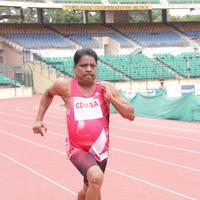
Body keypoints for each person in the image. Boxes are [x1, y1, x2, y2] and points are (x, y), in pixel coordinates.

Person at [32, 48, 135, 200]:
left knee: (88, 189)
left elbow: (130, 114)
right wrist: (39, 119)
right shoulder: (65, 86)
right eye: (83, 65)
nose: (88, 69)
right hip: (77, 148)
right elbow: (48, 93)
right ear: (75, 68)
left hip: (100, 150)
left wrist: (112, 99)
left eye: (92, 66)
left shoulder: (106, 88)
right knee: (96, 178)